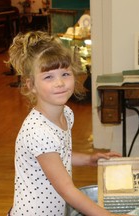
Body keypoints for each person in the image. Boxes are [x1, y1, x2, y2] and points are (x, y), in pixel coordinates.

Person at [7, 31, 129, 216]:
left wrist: (89, 159)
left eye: (65, 73)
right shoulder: (38, 131)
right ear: (31, 85)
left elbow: (61, 155)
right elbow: (67, 190)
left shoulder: (66, 114)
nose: (60, 83)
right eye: (48, 77)